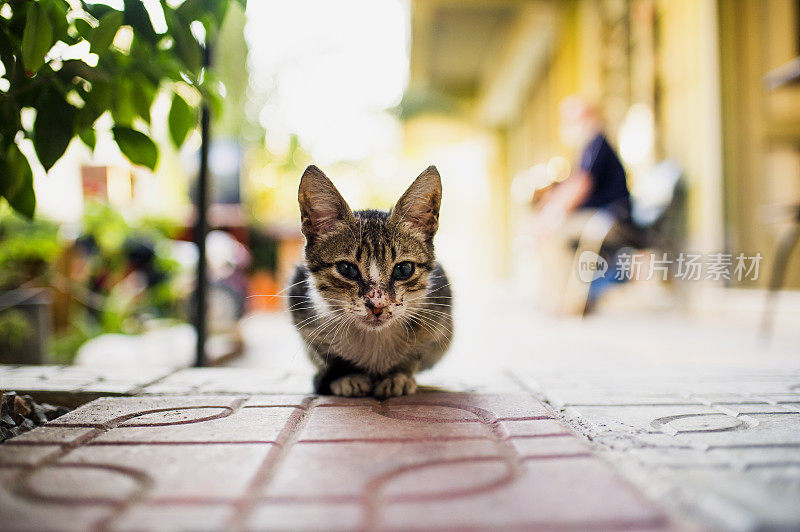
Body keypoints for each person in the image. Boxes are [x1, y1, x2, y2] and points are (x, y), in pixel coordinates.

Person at [534, 96, 631, 314]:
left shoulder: (597, 143)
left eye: (571, 119)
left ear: (588, 117)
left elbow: (581, 185)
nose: (567, 126)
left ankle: (565, 304)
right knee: (554, 232)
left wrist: (551, 216)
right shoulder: (588, 147)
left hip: (612, 217)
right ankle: (563, 300)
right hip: (596, 216)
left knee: (554, 234)